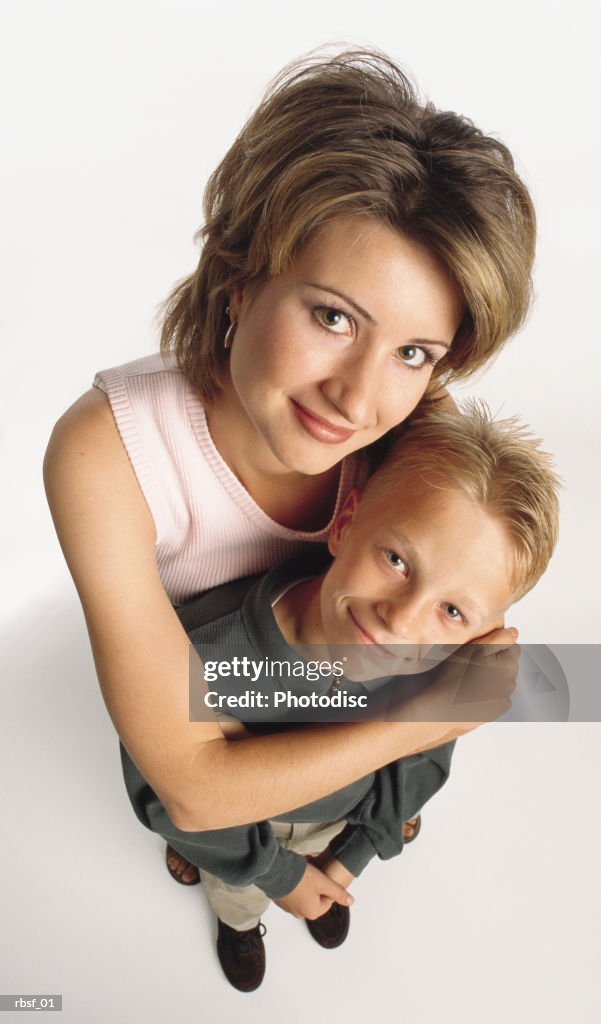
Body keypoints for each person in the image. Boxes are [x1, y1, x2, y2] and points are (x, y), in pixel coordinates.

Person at [42, 48, 535, 955]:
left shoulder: (411, 428)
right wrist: (424, 716)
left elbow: (457, 610)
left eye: (414, 351)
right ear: (240, 274)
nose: (356, 400)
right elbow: (190, 785)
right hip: (220, 697)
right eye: (333, 317)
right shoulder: (105, 453)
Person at [120, 402, 558, 990]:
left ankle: (329, 885)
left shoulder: (435, 663)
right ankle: (239, 927)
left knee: (336, 871)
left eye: (452, 610)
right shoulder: (207, 655)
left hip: (340, 816)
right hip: (238, 833)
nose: (401, 621)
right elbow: (167, 788)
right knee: (236, 892)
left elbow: (424, 754)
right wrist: (283, 880)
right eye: (397, 560)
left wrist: (351, 856)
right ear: (346, 522)